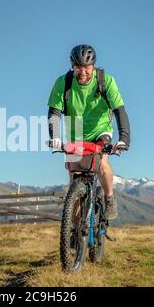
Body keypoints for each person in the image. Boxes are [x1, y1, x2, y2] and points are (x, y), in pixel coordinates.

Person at [47, 44, 131, 220]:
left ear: (93, 66)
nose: (83, 72)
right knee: (74, 181)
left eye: (87, 67)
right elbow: (54, 112)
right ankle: (73, 231)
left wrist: (124, 138)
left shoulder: (106, 81)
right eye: (78, 67)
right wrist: (54, 137)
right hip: (75, 131)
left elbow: (119, 111)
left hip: (100, 129)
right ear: (73, 66)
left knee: (101, 163)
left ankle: (109, 198)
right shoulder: (63, 83)